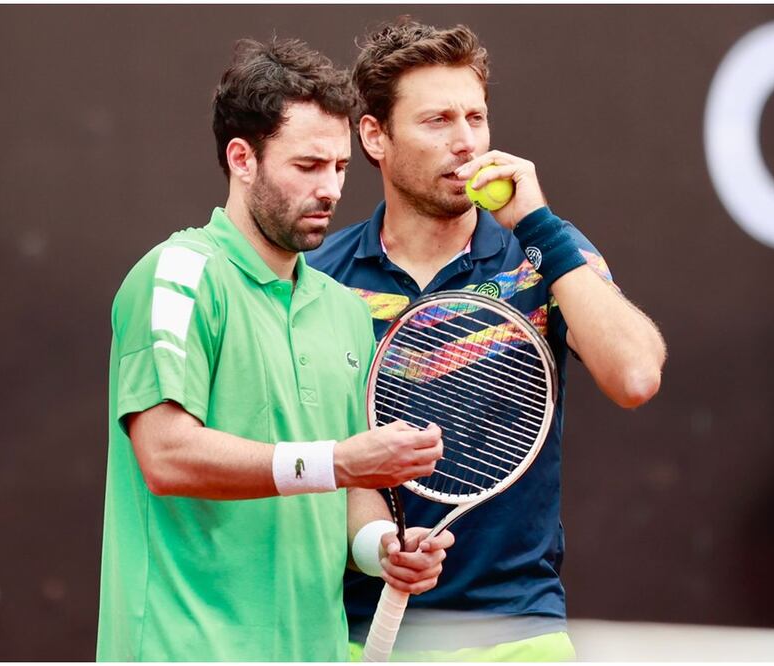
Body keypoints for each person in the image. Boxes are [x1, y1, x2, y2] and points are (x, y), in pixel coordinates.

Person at [306, 18, 667, 661]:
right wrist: (375, 549)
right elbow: (313, 454)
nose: (466, 142)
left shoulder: (544, 254)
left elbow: (636, 376)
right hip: (357, 633)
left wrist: (538, 226)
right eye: (437, 121)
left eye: (476, 117)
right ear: (375, 136)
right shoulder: (319, 279)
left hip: (517, 633)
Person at [96, 37, 456, 662]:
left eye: (340, 167)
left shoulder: (345, 310)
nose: (330, 189)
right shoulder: (177, 276)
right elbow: (166, 455)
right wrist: (337, 462)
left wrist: (381, 548)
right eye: (307, 166)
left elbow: (350, 488)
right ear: (242, 158)